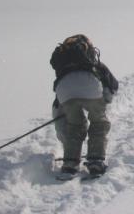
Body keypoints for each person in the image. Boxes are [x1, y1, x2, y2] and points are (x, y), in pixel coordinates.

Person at [50, 34, 119, 177]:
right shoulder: (92, 63)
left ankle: (70, 163)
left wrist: (63, 106)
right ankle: (95, 161)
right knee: (99, 123)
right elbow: (113, 84)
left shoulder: (64, 64)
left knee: (75, 126)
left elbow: (60, 88)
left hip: (64, 91)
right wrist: (105, 99)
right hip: (91, 87)